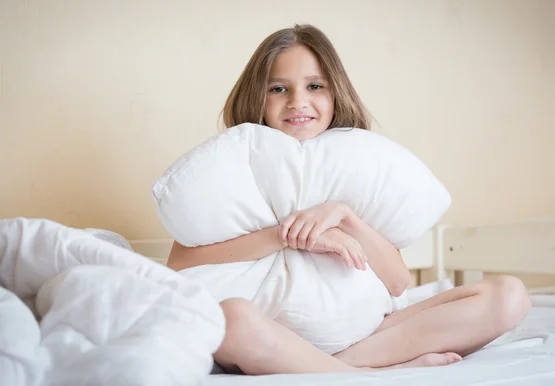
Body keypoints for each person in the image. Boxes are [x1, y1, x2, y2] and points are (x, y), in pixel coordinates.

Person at [166, 24, 531, 375]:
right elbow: (179, 266)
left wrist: (343, 217)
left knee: (509, 295)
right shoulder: (235, 163)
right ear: (257, 97)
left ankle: (348, 363)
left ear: (335, 92)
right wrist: (286, 235)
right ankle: (358, 372)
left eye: (314, 86)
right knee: (230, 319)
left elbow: (398, 282)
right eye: (278, 88)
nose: (298, 102)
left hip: (364, 333)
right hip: (267, 337)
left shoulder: (355, 164)